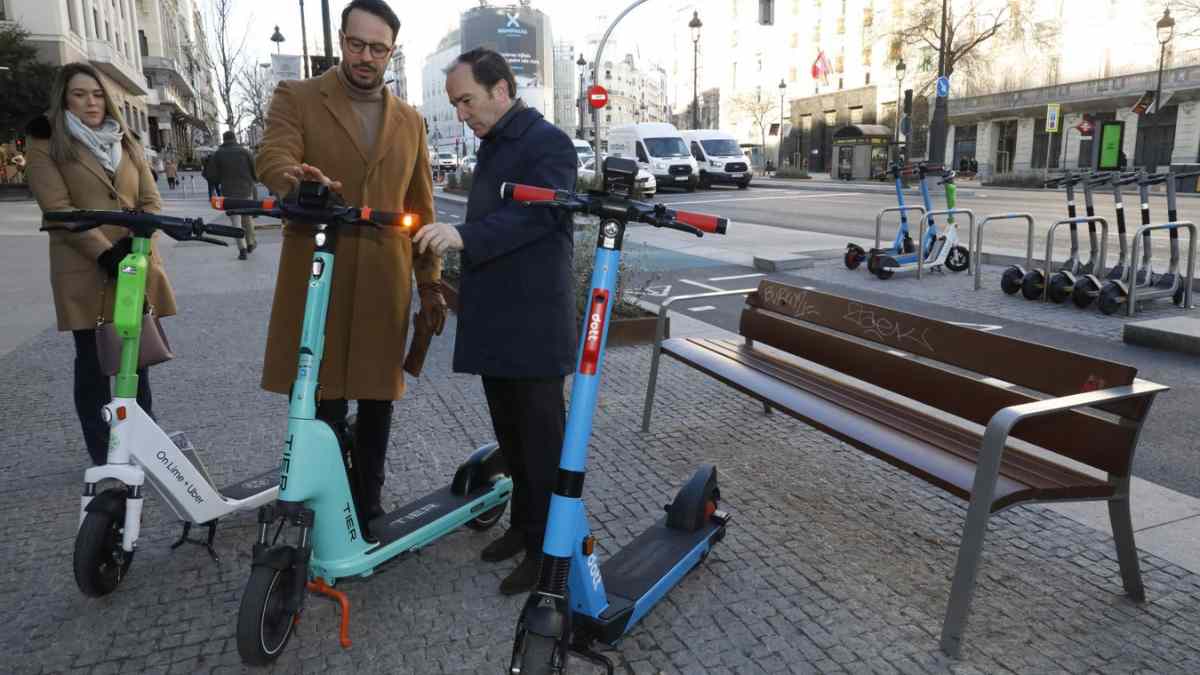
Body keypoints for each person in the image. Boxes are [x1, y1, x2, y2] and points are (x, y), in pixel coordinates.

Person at [255, 0, 445, 539]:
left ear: (391, 52)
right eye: (356, 44)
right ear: (341, 41)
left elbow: (423, 206)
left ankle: (368, 502)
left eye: (378, 48)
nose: (366, 56)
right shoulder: (297, 96)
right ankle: (322, 496)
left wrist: (429, 281)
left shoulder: (409, 119)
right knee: (321, 395)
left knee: (378, 396)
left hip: (385, 278)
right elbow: (272, 156)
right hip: (319, 271)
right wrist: (296, 179)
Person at [414, 47, 578, 595]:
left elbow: (537, 215)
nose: (461, 113)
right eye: (456, 103)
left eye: (467, 100)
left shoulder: (548, 143)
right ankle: (524, 529)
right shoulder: (496, 142)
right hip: (499, 320)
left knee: (542, 444)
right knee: (511, 435)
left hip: (532, 323)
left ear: (501, 91)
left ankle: (549, 554)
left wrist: (464, 236)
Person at [24, 62, 176, 466]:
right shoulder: (46, 142)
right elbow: (59, 210)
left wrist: (138, 243)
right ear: (63, 98)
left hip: (133, 263)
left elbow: (150, 199)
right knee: (93, 364)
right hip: (86, 267)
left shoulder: (125, 138)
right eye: (79, 94)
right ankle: (103, 451)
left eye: (96, 94)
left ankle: (143, 442)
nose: (91, 102)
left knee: (136, 358)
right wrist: (105, 252)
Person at [207, 131, 257, 260]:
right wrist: (254, 179)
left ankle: (242, 249)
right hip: (246, 190)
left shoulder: (218, 154)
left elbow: (211, 175)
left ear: (223, 140)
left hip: (229, 192)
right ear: (235, 139)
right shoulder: (245, 152)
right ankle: (251, 242)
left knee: (236, 222)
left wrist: (218, 182)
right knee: (248, 218)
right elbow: (255, 170)